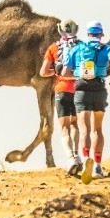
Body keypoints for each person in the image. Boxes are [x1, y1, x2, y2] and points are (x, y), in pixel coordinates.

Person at [63, 20, 110, 183]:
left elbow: (65, 72)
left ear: (87, 34)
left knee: (84, 128)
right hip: (99, 89)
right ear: (101, 34)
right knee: (97, 129)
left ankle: (87, 158)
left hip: (81, 90)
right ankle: (98, 166)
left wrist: (78, 76)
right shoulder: (107, 48)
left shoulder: (77, 48)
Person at [40, 19, 83, 174]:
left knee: (64, 127)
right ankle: (77, 156)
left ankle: (69, 157)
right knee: (74, 125)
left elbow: (43, 72)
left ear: (59, 30)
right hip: (78, 90)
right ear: (76, 29)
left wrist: (56, 73)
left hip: (61, 89)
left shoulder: (53, 48)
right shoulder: (82, 47)